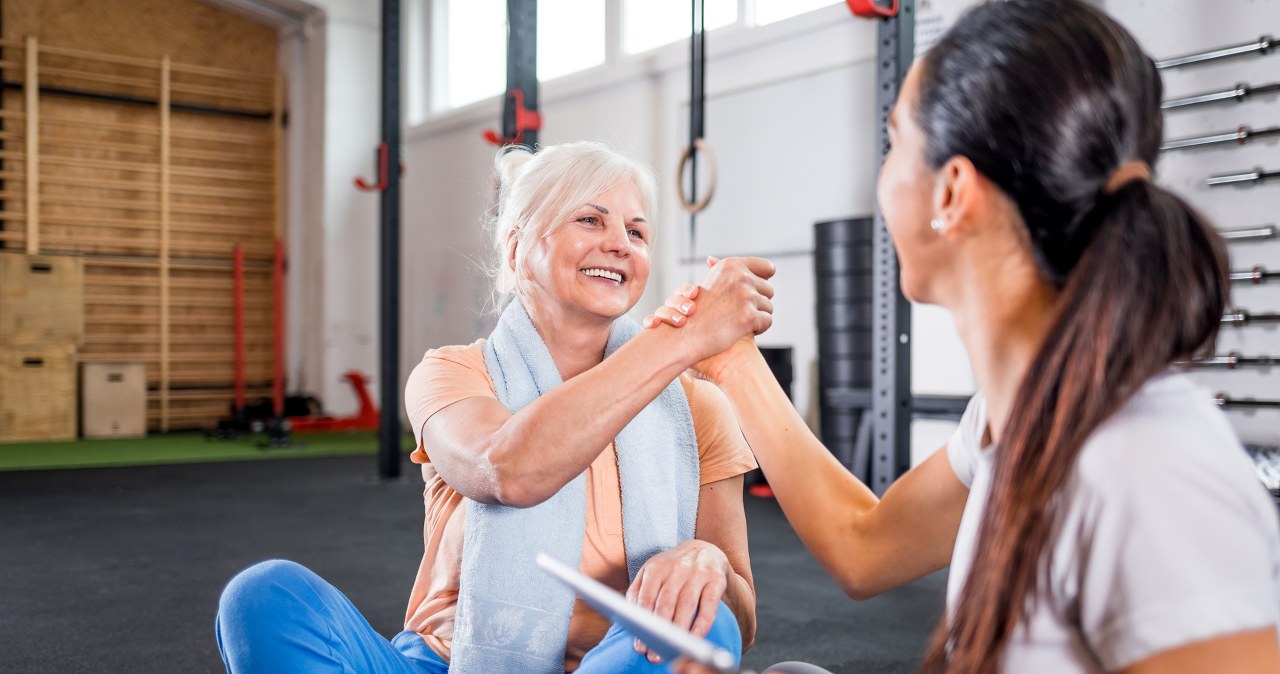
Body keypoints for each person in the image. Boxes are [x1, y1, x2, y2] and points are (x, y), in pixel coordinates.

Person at [650, 1, 1280, 672]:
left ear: (952, 193)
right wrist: (735, 361)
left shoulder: (1149, 474)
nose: (883, 178)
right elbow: (863, 545)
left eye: (896, 145)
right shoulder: (1013, 419)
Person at [214, 141, 777, 674]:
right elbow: (507, 469)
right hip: (451, 662)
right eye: (590, 220)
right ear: (515, 249)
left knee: (703, 631)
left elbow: (743, 617)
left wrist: (706, 561)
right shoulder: (454, 373)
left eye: (636, 231)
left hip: (619, 661)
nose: (620, 243)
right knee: (265, 596)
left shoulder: (696, 407)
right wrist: (678, 342)